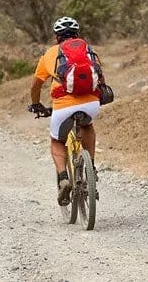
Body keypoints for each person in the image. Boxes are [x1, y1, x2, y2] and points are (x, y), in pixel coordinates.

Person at [29, 16, 103, 206]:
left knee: (57, 140)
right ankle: (91, 168)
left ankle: (63, 178)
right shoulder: (88, 49)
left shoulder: (50, 53)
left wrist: (36, 104)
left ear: (57, 36)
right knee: (87, 126)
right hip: (90, 104)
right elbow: (100, 76)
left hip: (63, 106)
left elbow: (36, 85)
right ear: (77, 34)